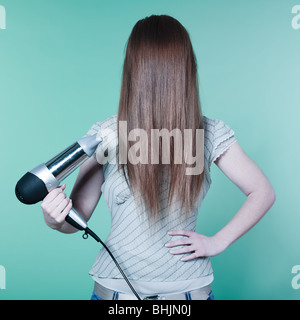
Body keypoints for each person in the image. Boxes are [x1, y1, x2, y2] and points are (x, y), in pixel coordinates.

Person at [40, 15, 276, 300]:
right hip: (115, 295)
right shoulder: (107, 135)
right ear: (188, 68)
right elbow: (76, 218)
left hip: (188, 294)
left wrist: (218, 241)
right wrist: (54, 219)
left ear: (131, 71)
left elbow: (262, 192)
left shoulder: (209, 133)